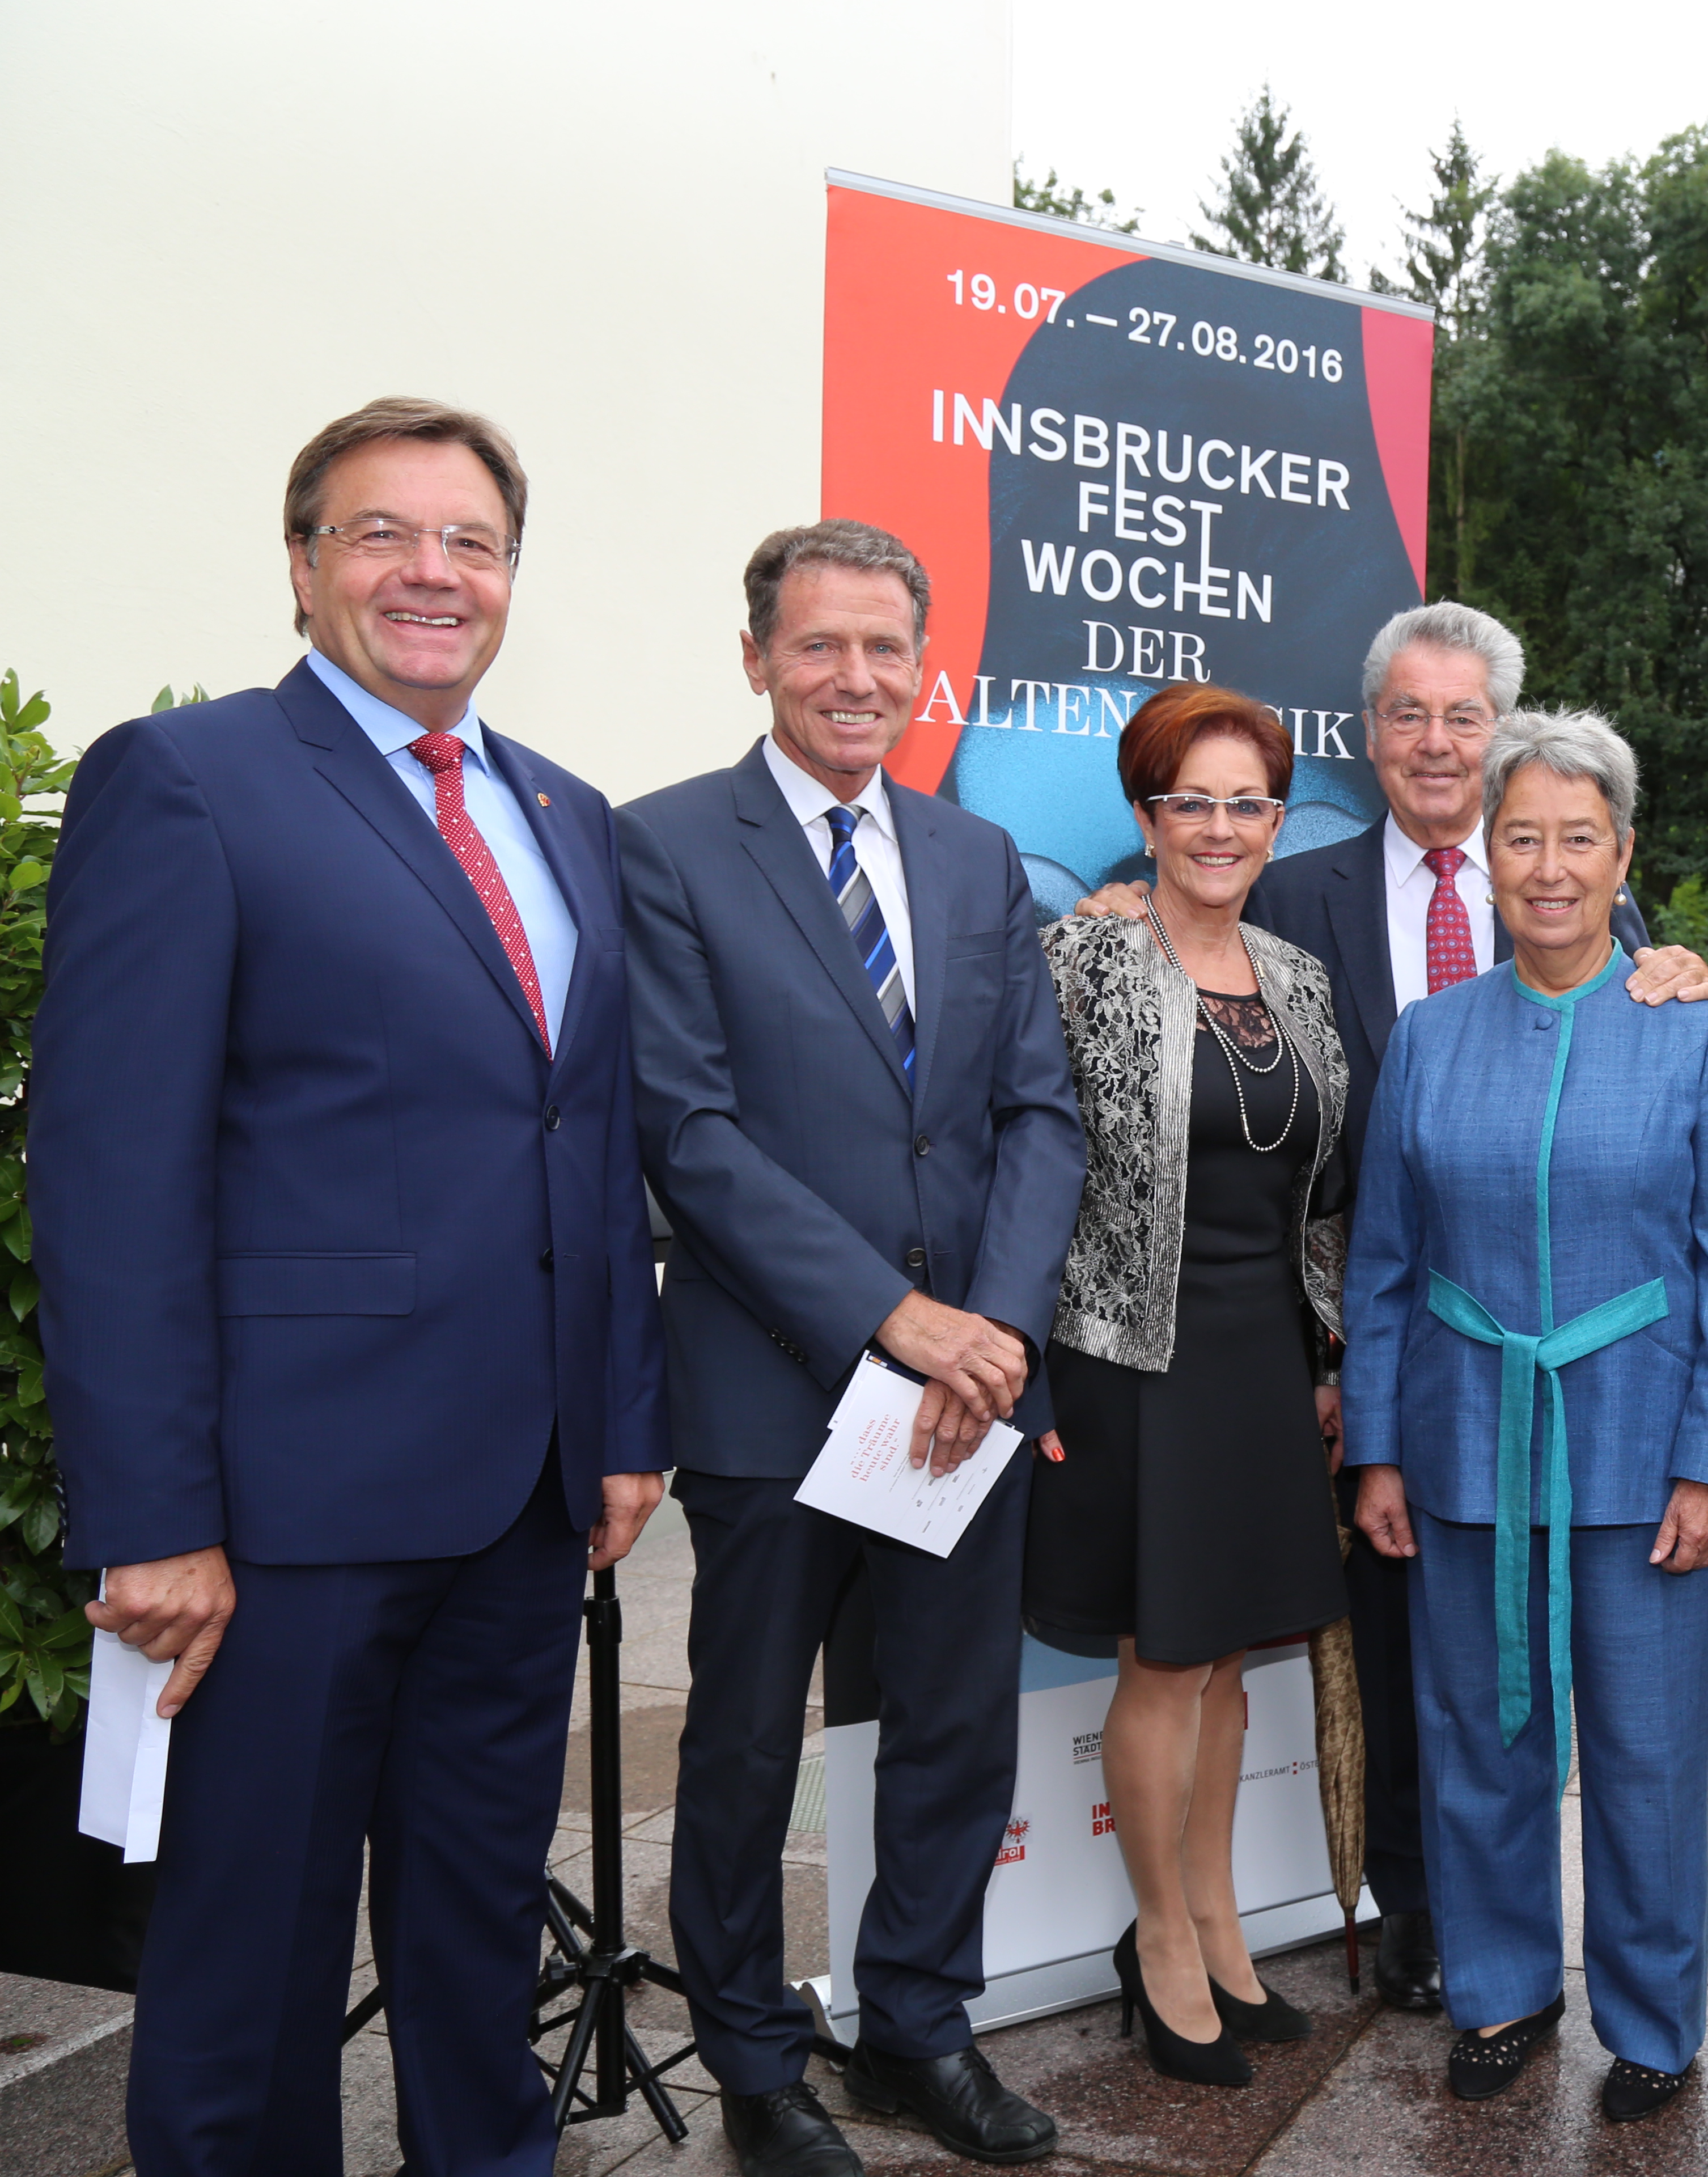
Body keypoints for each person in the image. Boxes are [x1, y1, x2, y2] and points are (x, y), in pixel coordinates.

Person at [30, 397, 668, 2175]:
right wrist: (151, 1516)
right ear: (304, 565)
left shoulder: (564, 809)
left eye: (470, 542)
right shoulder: (188, 779)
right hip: (287, 1511)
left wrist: (620, 1422)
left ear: (513, 578)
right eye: (383, 534)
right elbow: (110, 1173)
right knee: (255, 1961)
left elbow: (587, 1136)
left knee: (476, 1929)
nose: (430, 573)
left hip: (527, 1500)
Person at [1072, 599, 1708, 2011]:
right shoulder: (1291, 898)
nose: (1437, 741)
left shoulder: (1580, 889)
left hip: (1549, 1366)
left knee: (1565, 1697)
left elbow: (1656, 1061)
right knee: (1407, 1647)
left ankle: (1589, 1975)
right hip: (1353, 1342)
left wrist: (1686, 967)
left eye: (1464, 715)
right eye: (1409, 714)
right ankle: (1423, 1911)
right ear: (1369, 737)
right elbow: (1176, 952)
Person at [621, 520, 1084, 2174]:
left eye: (887, 648)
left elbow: (1038, 1108)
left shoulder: (973, 857)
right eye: (820, 646)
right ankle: (754, 2061)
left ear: (923, 663)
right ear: (757, 657)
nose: (857, 679)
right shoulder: (665, 845)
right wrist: (895, 1317)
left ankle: (916, 2031)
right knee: (746, 1745)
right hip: (774, 1384)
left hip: (964, 1401)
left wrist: (997, 1330)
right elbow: (687, 1127)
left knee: (955, 1725)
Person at [1342, 708, 1708, 2124]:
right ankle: (1502, 1992)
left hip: (1645, 1459)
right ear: (1487, 849)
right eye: (1518, 837)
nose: (1545, 868)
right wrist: (1383, 1452)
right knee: (1481, 1742)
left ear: (1623, 854)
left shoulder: (1693, 1036)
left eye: (1575, 840)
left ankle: (1653, 2020)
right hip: (1468, 1445)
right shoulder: (1428, 1035)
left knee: (1650, 1759)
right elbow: (1387, 1263)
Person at [1029, 681, 1353, 2089]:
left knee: (1227, 1663)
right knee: (1165, 1660)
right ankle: (1159, 1937)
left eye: (1247, 802)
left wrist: (1330, 1353)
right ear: (1146, 816)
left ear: (1276, 821)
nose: (1219, 827)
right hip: (1135, 1363)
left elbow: (1322, 1190)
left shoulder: (1297, 977)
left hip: (1268, 1357)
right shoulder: (1083, 963)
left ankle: (1222, 1922)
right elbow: (1026, 1167)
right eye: (1189, 801)